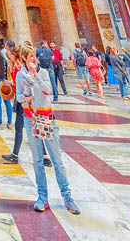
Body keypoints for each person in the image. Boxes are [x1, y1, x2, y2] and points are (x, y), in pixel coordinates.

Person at [19, 47, 81, 214]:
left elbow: (48, 90)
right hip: (30, 118)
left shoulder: (44, 72)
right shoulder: (20, 75)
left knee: (57, 160)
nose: (35, 59)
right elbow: (18, 96)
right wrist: (23, 98)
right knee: (37, 160)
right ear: (24, 58)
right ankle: (42, 197)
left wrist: (36, 75)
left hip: (46, 118)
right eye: (31, 56)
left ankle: (67, 197)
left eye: (35, 57)